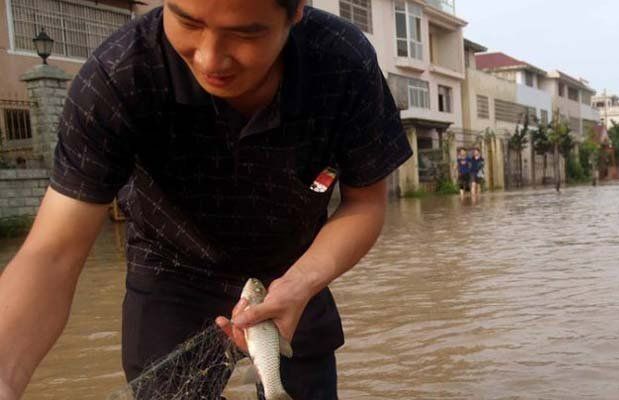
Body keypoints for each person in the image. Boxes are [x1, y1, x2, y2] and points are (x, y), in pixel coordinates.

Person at [0, 1, 412, 399]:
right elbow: (52, 254)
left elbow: (365, 203)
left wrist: (302, 283)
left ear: (297, 10)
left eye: (246, 32)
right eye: (187, 22)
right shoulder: (118, 77)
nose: (211, 60)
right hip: (170, 270)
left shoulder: (342, 62)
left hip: (296, 267)